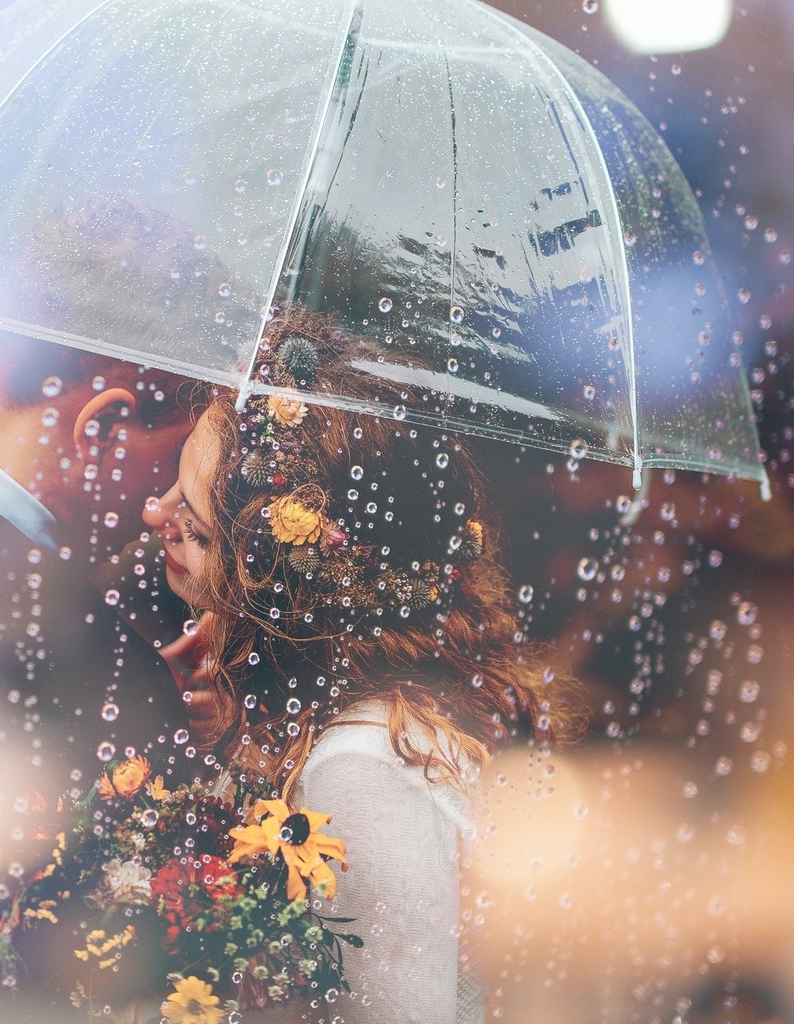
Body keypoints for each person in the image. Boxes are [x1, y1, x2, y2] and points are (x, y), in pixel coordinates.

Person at [141, 308, 583, 1024]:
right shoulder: (393, 719)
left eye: (192, 523)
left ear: (274, 582)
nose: (153, 513)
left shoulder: (361, 768)